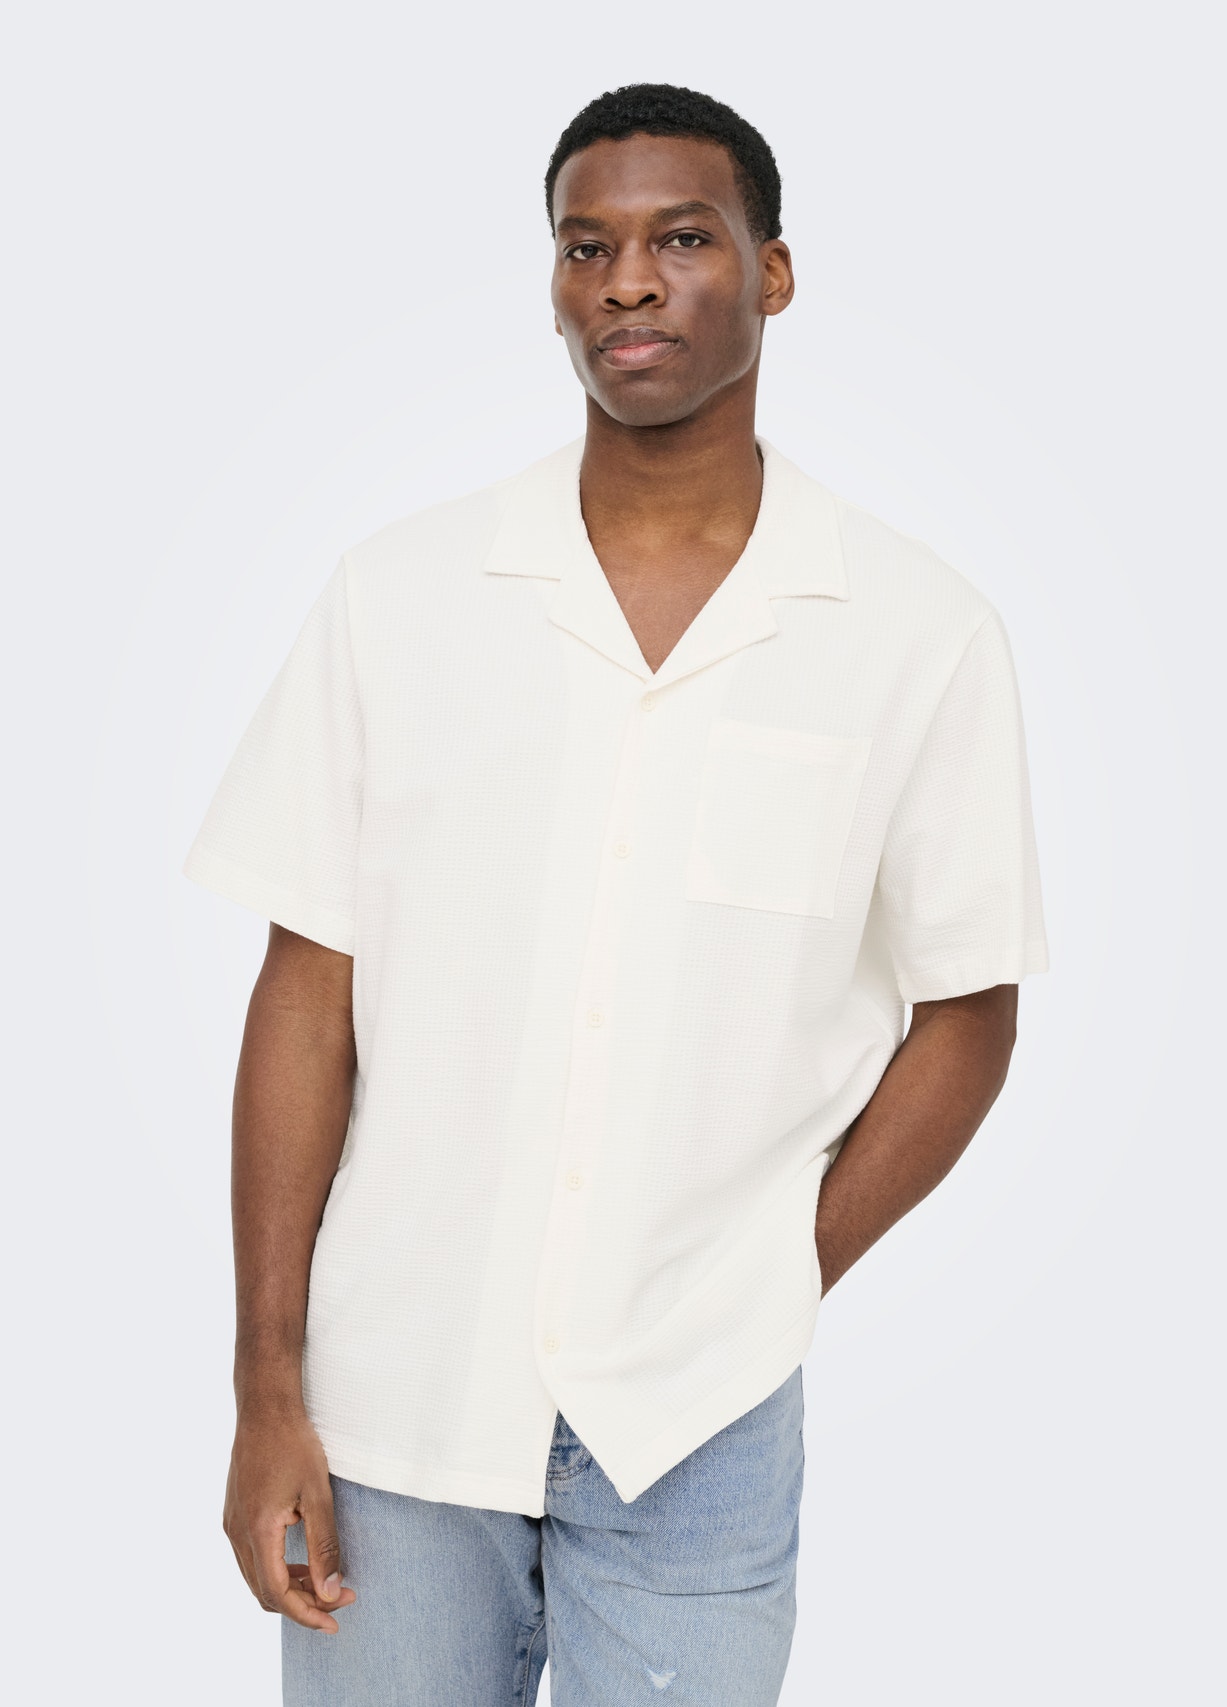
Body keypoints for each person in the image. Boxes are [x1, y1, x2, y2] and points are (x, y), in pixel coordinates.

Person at [185, 82, 1049, 1707]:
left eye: (682, 240)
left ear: (772, 273)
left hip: (700, 1426)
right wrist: (266, 1387)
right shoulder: (402, 598)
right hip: (395, 1407)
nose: (628, 282)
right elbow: (306, 995)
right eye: (587, 247)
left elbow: (970, 1011)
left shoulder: (916, 634)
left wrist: (773, 1276)